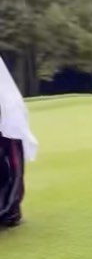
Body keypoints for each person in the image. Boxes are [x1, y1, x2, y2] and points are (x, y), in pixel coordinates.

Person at [0, 55, 39, 228]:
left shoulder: (9, 108)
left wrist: (8, 208)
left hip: (5, 198)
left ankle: (9, 210)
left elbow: (17, 171)